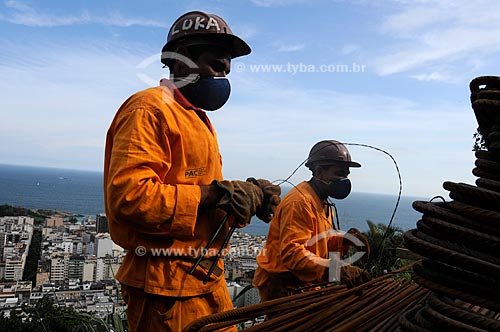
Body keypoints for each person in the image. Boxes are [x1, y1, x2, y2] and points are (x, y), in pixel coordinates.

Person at [104, 11, 281, 332]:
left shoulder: (197, 120)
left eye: (228, 65)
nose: (225, 70)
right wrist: (217, 194)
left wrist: (246, 198)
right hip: (163, 292)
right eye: (216, 60)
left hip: (205, 281)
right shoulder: (149, 109)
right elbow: (130, 199)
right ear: (181, 58)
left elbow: (200, 204)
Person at [253, 140, 371, 302]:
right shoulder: (299, 203)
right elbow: (292, 254)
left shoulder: (323, 201)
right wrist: (336, 270)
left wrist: (344, 241)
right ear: (319, 172)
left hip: (304, 283)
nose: (343, 179)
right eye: (339, 173)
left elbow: (318, 242)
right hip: (282, 286)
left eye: (346, 174)